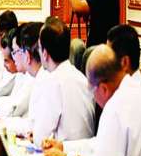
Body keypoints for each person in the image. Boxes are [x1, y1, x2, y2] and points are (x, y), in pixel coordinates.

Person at [32, 17, 94, 147]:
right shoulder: (82, 78)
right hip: (85, 151)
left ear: (45, 53)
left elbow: (40, 138)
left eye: (39, 48)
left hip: (62, 154)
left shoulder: (52, 82)